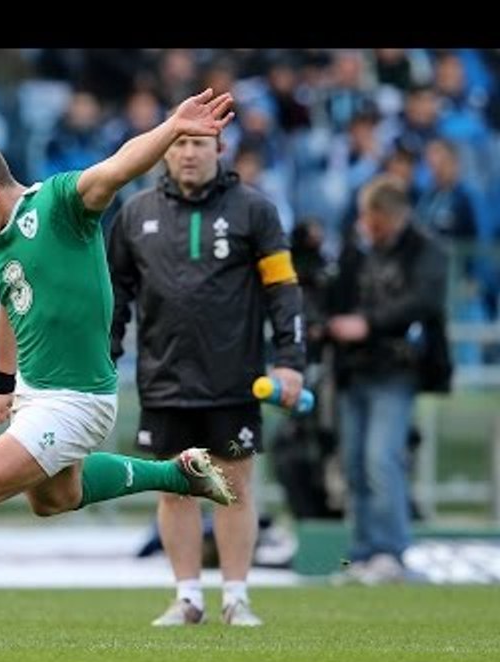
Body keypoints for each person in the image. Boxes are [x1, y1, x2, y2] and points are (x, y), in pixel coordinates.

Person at [0, 87, 237, 643]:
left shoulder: (58, 206)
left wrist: (173, 127)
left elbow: (116, 168)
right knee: (55, 500)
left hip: (79, 399)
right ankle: (177, 473)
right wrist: (3, 386)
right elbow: (10, 302)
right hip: (34, 393)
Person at [107, 127, 306, 627]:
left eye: (199, 144)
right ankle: (188, 597)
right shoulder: (135, 213)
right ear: (165, 151)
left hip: (234, 378)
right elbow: (114, 297)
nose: (189, 153)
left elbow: (284, 289)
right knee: (175, 487)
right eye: (179, 144)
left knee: (233, 486)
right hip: (163, 377)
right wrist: (104, 359)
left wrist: (290, 360)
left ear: (219, 150)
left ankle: (237, 597)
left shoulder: (255, 210)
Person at [326, 174, 449, 584]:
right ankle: (362, 553)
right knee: (356, 466)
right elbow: (335, 295)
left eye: (371, 217)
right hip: (352, 369)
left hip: (397, 370)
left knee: (382, 460)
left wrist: (369, 323)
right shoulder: (357, 250)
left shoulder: (426, 249)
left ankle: (392, 552)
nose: (366, 224)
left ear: (387, 216)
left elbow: (425, 300)